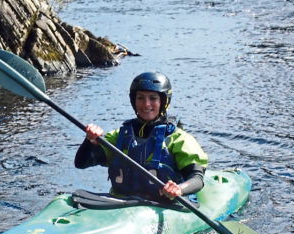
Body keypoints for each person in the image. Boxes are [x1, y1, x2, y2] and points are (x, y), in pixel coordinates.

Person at [74, 72, 208, 202]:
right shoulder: (120, 136)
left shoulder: (179, 139)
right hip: (120, 203)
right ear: (134, 101)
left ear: (164, 101)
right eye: (140, 98)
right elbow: (81, 163)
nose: (146, 104)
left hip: (164, 205)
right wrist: (89, 140)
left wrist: (179, 189)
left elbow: (197, 179)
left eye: (153, 98)